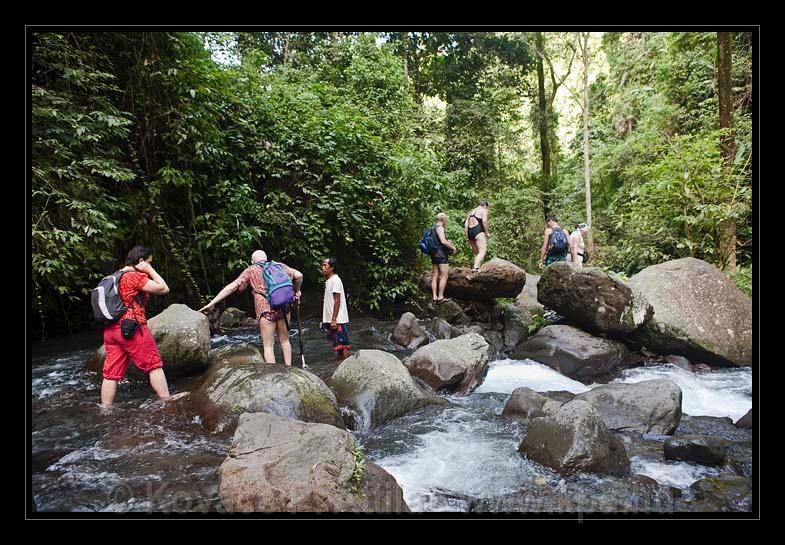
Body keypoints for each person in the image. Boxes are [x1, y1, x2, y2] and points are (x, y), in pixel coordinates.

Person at [100, 245, 175, 408]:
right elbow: (163, 288)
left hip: (111, 331)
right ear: (141, 261)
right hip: (131, 328)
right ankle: (166, 400)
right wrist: (151, 270)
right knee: (154, 365)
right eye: (149, 263)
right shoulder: (132, 277)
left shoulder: (113, 277)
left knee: (111, 373)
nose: (149, 267)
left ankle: (105, 408)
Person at [198, 250, 303, 366]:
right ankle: (289, 368)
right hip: (284, 308)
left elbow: (233, 286)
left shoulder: (251, 270)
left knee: (268, 346)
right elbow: (299, 275)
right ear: (266, 258)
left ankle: (274, 372)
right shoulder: (279, 265)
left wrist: (212, 303)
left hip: (265, 310)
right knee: (284, 340)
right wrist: (296, 291)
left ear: (252, 261)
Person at [320, 257, 351, 361]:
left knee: (343, 346)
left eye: (325, 265)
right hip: (332, 319)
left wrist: (334, 319)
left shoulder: (336, 280)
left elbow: (337, 300)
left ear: (332, 267)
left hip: (338, 320)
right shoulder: (329, 281)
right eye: (322, 265)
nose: (323, 267)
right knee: (337, 346)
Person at [431, 212, 458, 303]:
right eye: (446, 219)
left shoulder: (433, 228)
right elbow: (442, 241)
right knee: (444, 275)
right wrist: (453, 248)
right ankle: (440, 297)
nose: (446, 221)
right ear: (443, 219)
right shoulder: (440, 228)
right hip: (441, 254)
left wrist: (448, 241)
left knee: (435, 275)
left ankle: (434, 297)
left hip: (433, 253)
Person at [465, 199, 490, 273]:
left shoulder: (471, 212)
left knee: (476, 253)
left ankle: (478, 268)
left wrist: (467, 236)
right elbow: (484, 221)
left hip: (470, 231)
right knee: (482, 251)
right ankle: (475, 267)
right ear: (485, 205)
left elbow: (466, 224)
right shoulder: (483, 210)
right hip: (478, 231)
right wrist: (487, 232)